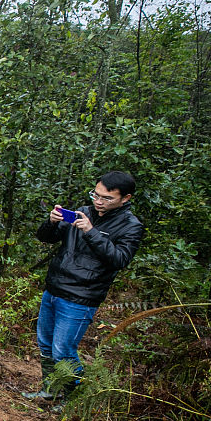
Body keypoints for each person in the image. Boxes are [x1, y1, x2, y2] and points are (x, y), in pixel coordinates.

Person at [22, 171, 143, 401]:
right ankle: (50, 390)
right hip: (55, 288)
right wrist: (51, 222)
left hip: (81, 297)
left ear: (125, 198)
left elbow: (119, 259)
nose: (98, 201)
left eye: (106, 198)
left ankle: (72, 399)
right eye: (95, 195)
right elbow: (46, 238)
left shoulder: (131, 226)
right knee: (46, 345)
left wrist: (91, 232)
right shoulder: (83, 212)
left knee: (63, 351)